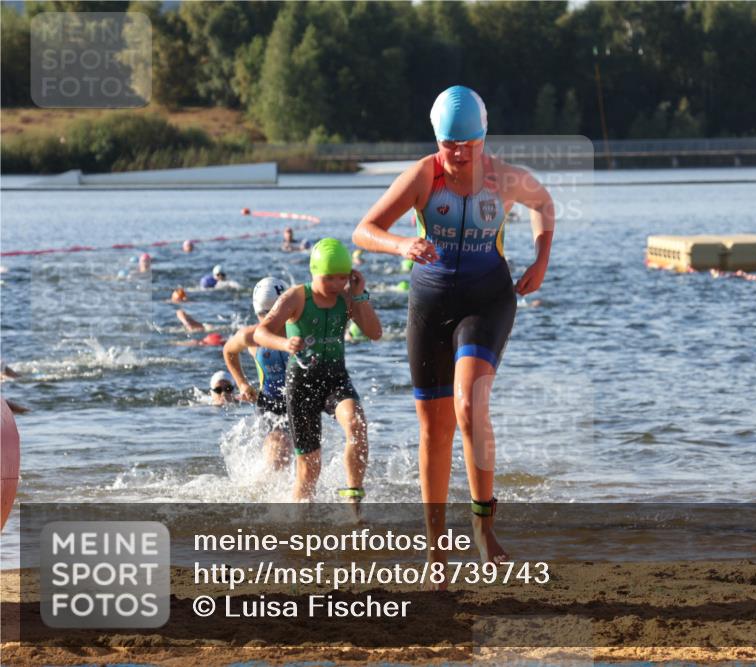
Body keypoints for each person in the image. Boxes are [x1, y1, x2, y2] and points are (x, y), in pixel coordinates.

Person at [352, 85, 554, 570]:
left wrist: (541, 259)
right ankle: (436, 548)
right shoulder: (423, 176)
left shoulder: (504, 178)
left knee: (470, 404)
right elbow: (364, 229)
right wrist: (402, 245)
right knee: (434, 429)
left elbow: (544, 205)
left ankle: (483, 529)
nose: (460, 155)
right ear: (437, 140)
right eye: (450, 145)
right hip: (430, 305)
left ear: (485, 137)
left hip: (487, 300)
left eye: (470, 144)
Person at [254, 238, 382, 502]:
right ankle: (301, 525)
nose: (336, 285)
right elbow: (261, 332)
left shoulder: (347, 298)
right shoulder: (295, 297)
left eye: (341, 278)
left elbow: (374, 332)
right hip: (301, 384)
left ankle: (354, 497)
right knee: (310, 467)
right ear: (314, 272)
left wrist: (359, 294)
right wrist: (284, 343)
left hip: (335, 378)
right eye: (329, 278)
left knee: (356, 424)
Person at [223, 277, 293, 470]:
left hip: (301, 401)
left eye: (273, 313)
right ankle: (263, 494)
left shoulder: (299, 331)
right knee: (278, 453)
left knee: (306, 459)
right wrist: (242, 383)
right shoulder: (251, 336)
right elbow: (229, 351)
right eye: (263, 314)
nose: (269, 320)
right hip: (271, 403)